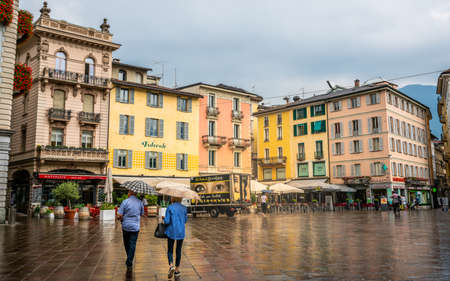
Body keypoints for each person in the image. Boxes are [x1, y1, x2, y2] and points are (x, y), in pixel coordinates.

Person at [117, 190, 144, 271]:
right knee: (133, 244)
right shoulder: (140, 202)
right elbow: (142, 213)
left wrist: (120, 219)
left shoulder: (125, 202)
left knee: (126, 243)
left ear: (130, 193)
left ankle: (129, 260)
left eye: (128, 192)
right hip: (135, 227)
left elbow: (120, 215)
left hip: (126, 226)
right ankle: (129, 259)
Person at [164, 197, 187, 279]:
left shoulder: (170, 207)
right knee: (178, 250)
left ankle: (171, 265)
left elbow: (167, 221)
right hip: (181, 232)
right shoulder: (184, 208)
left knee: (170, 250)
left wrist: (164, 218)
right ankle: (177, 270)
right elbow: (185, 220)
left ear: (173, 198)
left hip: (171, 231)